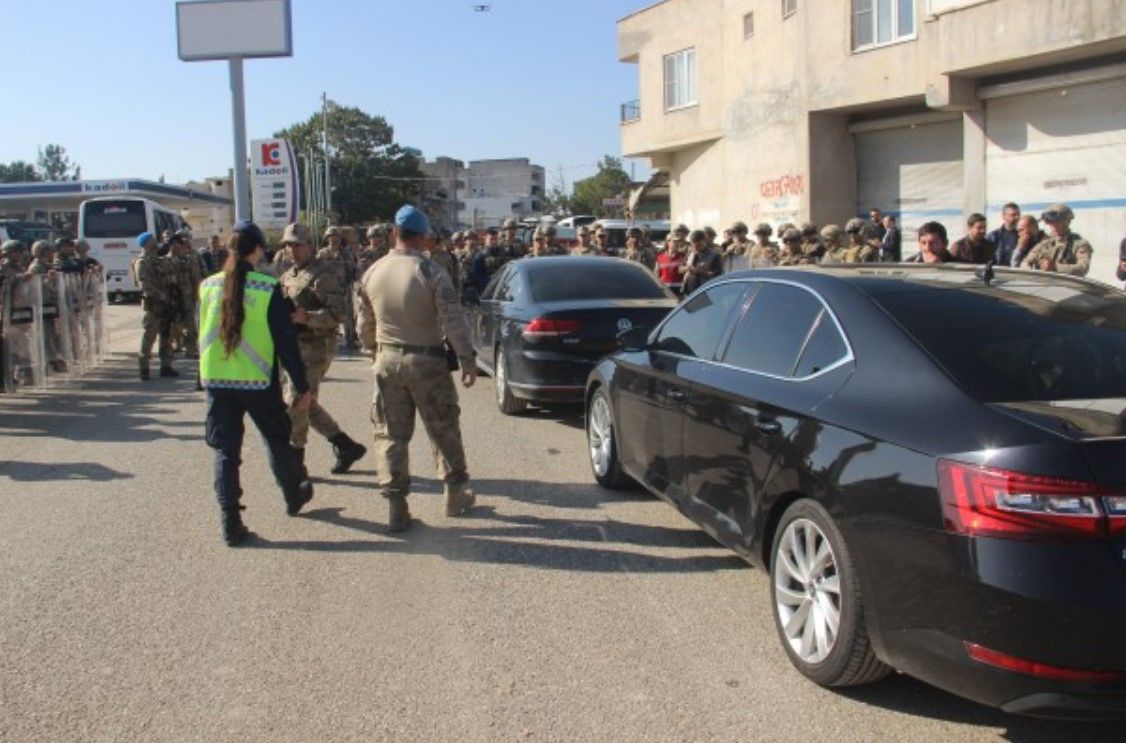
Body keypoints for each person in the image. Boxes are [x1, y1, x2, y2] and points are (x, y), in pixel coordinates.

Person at [356, 205, 478, 532]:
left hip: (387, 361)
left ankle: (397, 507)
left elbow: (364, 323)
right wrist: (466, 359)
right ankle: (455, 494)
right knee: (443, 427)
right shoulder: (431, 271)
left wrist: (373, 351)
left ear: (394, 234)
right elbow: (453, 321)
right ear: (423, 238)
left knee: (390, 434)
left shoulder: (372, 272)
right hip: (427, 362)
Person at [198, 221, 315, 545]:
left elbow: (201, 330)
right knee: (277, 440)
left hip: (217, 379)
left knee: (225, 452)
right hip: (257, 380)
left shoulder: (207, 286)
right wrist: (302, 385)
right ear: (259, 250)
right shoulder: (267, 288)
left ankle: (230, 522)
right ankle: (293, 495)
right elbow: (286, 342)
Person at [277, 222, 368, 474]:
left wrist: (307, 317)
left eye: (297, 245)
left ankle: (296, 463)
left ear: (310, 246)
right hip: (294, 347)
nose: (292, 250)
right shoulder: (288, 276)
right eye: (288, 246)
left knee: (298, 402)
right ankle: (345, 445)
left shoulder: (322, 274)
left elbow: (339, 314)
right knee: (303, 401)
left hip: (316, 346)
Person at [135, 232, 177, 380]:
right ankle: (144, 368)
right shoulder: (142, 262)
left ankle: (166, 366)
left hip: (165, 305)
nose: (155, 242)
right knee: (149, 337)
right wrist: (161, 295)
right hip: (153, 306)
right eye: (152, 240)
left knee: (167, 336)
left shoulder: (158, 259)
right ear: (146, 243)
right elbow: (145, 286)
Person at [1019, 203, 1093, 276]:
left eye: (1057, 221)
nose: (1053, 225)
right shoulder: (1044, 243)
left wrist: (1055, 267)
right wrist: (1034, 269)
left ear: (1067, 221)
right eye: (1050, 222)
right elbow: (1024, 263)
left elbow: (1082, 268)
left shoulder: (1079, 244)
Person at [680, 229, 723, 295]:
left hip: (705, 292)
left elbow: (717, 276)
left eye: (698, 245)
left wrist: (699, 272)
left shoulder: (714, 256)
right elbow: (680, 269)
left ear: (705, 241)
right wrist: (687, 268)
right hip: (688, 292)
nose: (695, 248)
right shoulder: (690, 254)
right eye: (693, 245)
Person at [987, 202, 1021, 267]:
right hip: (999, 271)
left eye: (1017, 215)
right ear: (1004, 216)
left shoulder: (1023, 236)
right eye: (1012, 215)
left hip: (1017, 272)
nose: (1014, 218)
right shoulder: (993, 236)